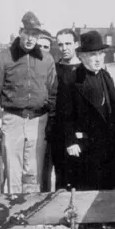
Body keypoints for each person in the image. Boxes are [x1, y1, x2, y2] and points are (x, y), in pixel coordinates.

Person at [0, 11, 58, 194]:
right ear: (20, 32)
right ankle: (13, 212)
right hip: (13, 119)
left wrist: (53, 118)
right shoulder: (4, 58)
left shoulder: (47, 60)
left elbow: (53, 92)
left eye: (35, 35)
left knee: (33, 169)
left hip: (39, 119)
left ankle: (31, 212)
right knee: (13, 170)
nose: (31, 39)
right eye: (28, 33)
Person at [59, 31, 115, 191]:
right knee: (86, 190)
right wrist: (70, 141)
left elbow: (114, 109)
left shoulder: (105, 76)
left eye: (100, 54)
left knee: (107, 189)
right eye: (92, 54)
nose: (97, 59)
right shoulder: (72, 80)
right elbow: (64, 115)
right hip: (84, 145)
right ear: (82, 56)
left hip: (107, 144)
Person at [45, 28, 81, 190]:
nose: (64, 48)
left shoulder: (83, 69)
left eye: (68, 44)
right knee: (61, 176)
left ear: (76, 44)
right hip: (58, 129)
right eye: (60, 45)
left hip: (80, 132)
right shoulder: (54, 69)